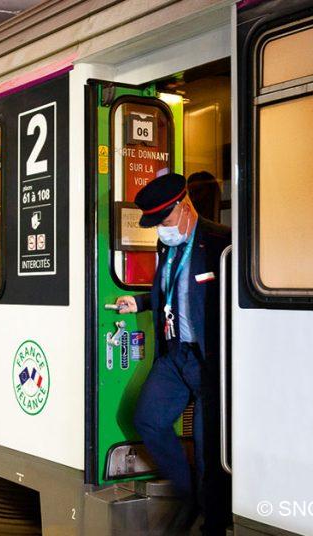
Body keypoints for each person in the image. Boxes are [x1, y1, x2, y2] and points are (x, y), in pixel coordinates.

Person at [115, 172, 231, 535]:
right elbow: (169, 293)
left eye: (163, 220)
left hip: (209, 361)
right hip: (176, 354)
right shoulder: (169, 244)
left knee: (207, 449)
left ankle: (213, 522)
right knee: (147, 418)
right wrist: (138, 301)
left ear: (184, 208)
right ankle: (191, 496)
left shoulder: (219, 242)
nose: (160, 230)